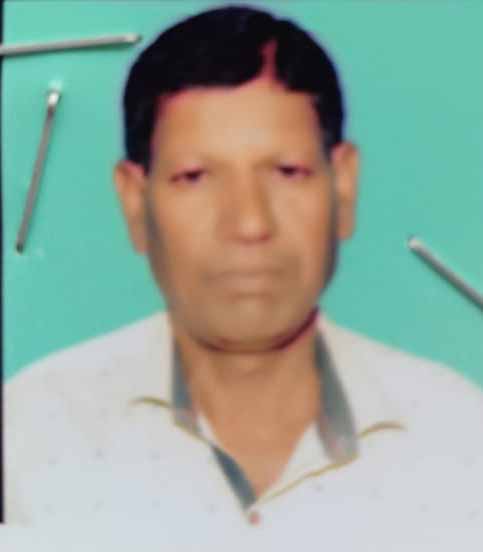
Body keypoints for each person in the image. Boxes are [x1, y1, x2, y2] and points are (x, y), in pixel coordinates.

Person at [5, 4, 483, 547]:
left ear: (343, 186)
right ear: (136, 202)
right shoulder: (27, 437)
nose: (250, 223)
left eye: (287, 172)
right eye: (195, 177)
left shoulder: (462, 440)